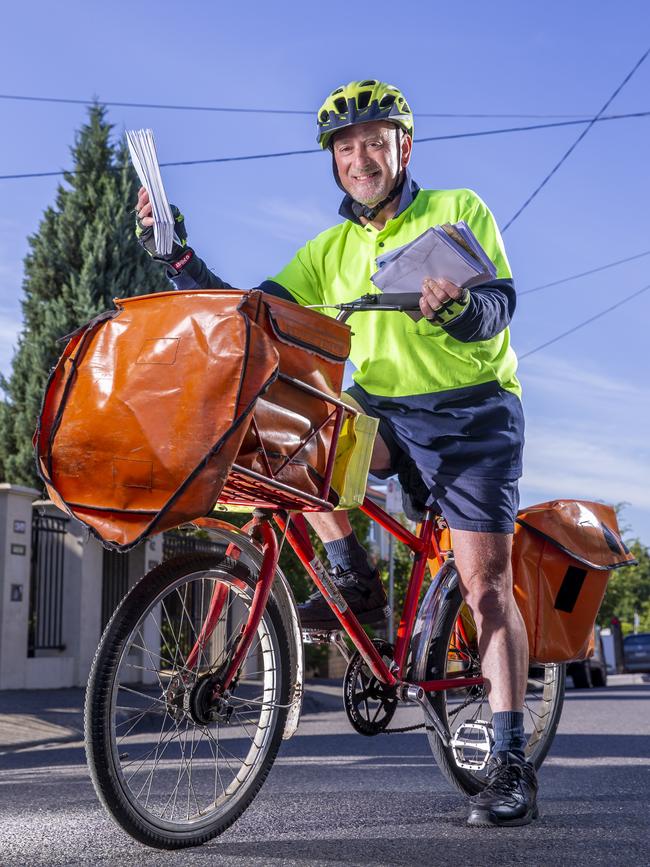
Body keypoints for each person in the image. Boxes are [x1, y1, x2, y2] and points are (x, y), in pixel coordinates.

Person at [135, 79, 537, 827]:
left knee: (485, 585)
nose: (361, 157)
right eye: (346, 147)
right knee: (298, 424)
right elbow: (254, 314)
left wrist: (455, 306)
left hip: (472, 415)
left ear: (402, 149)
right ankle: (355, 579)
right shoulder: (329, 251)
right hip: (387, 418)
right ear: (334, 162)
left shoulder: (458, 210)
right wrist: (178, 255)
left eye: (375, 142)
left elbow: (497, 308)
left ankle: (511, 764)